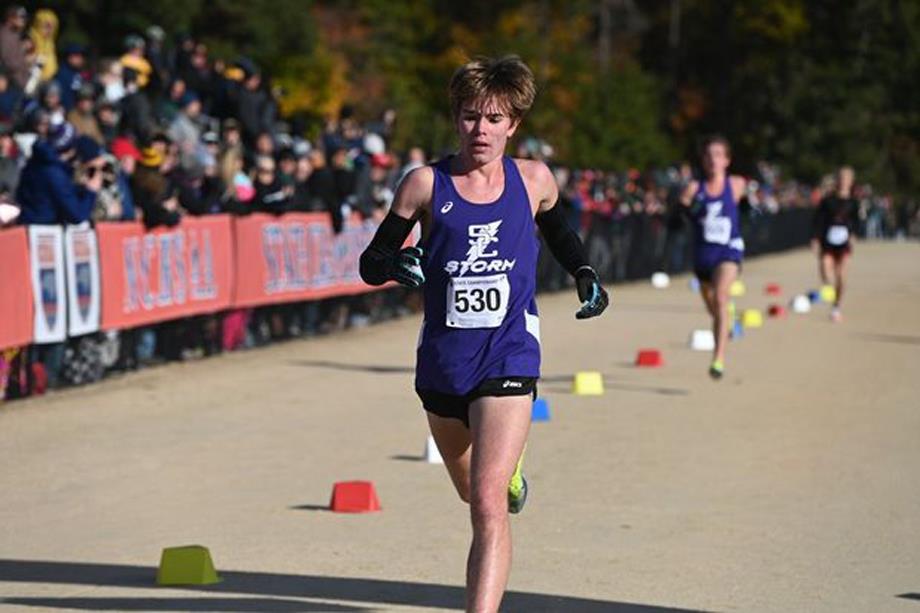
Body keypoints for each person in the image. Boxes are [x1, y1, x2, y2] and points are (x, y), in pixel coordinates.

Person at [359, 55, 608, 612]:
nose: (481, 130)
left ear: (513, 124)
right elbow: (370, 261)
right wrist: (395, 265)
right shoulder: (425, 183)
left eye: (494, 119)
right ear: (456, 119)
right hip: (446, 360)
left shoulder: (534, 179)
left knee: (488, 505)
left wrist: (585, 274)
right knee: (472, 490)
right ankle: (507, 470)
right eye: (471, 117)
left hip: (509, 352)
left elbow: (561, 234)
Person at [679, 135, 746, 379]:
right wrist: (689, 208)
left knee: (720, 296)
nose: (713, 160)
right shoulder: (694, 189)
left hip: (729, 250)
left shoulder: (736, 184)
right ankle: (726, 320)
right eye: (708, 155)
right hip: (703, 254)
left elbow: (747, 207)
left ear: (727, 160)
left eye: (718, 154)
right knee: (715, 308)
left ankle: (718, 359)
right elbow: (679, 213)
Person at [811, 166, 858, 322]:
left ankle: (836, 306)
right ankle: (830, 295)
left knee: (841, 276)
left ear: (851, 181)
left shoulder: (853, 202)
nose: (843, 181)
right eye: (841, 178)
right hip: (828, 241)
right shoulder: (827, 200)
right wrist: (815, 239)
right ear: (837, 180)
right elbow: (818, 221)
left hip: (844, 243)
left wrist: (853, 235)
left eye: (847, 178)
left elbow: (856, 221)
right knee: (825, 269)